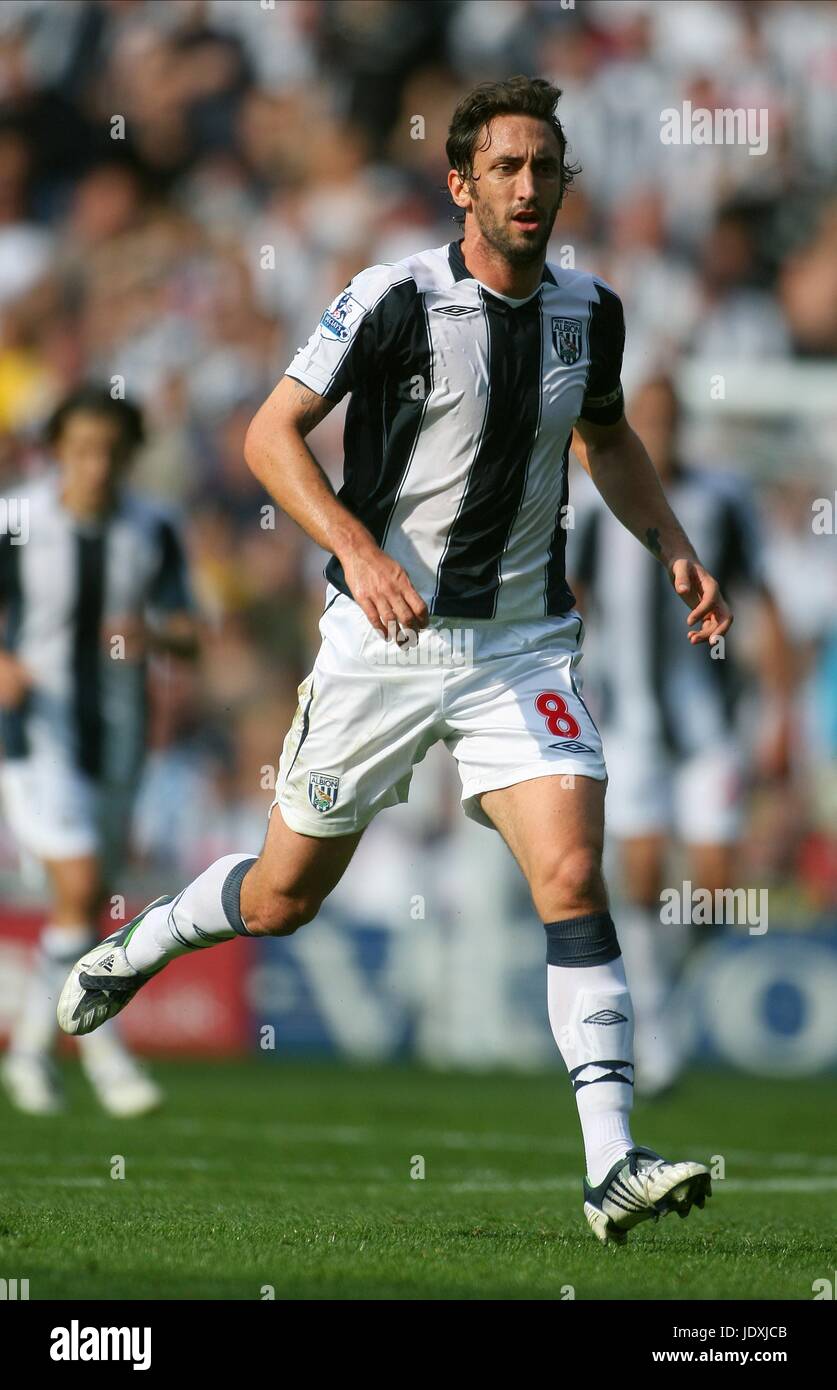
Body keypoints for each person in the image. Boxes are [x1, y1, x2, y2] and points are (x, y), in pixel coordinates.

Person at [58, 77, 730, 1243]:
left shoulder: (593, 311)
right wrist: (359, 551)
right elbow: (266, 436)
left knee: (572, 876)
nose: (530, 187)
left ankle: (612, 1163)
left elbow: (607, 436)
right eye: (507, 168)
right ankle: (154, 934)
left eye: (546, 167)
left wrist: (672, 544)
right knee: (282, 898)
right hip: (384, 642)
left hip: (522, 644)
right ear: (460, 183)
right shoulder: (392, 296)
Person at [571, 374, 792, 1096]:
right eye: (650, 420)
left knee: (716, 891)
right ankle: (655, 1031)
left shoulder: (720, 500)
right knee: (638, 876)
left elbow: (763, 600)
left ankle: (656, 996)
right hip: (629, 723)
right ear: (634, 425)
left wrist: (780, 711)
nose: (659, 432)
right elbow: (571, 599)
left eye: (669, 419)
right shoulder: (596, 508)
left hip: (705, 724)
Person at [0, 386, 197, 1115]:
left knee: (79, 906)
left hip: (118, 735)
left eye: (111, 452)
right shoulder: (16, 520)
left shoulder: (154, 528)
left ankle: (27, 1054)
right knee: (81, 886)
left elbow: (189, 633)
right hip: (35, 731)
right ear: (57, 452)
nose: (97, 466)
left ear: (129, 456)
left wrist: (155, 635)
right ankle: (109, 1059)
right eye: (82, 450)